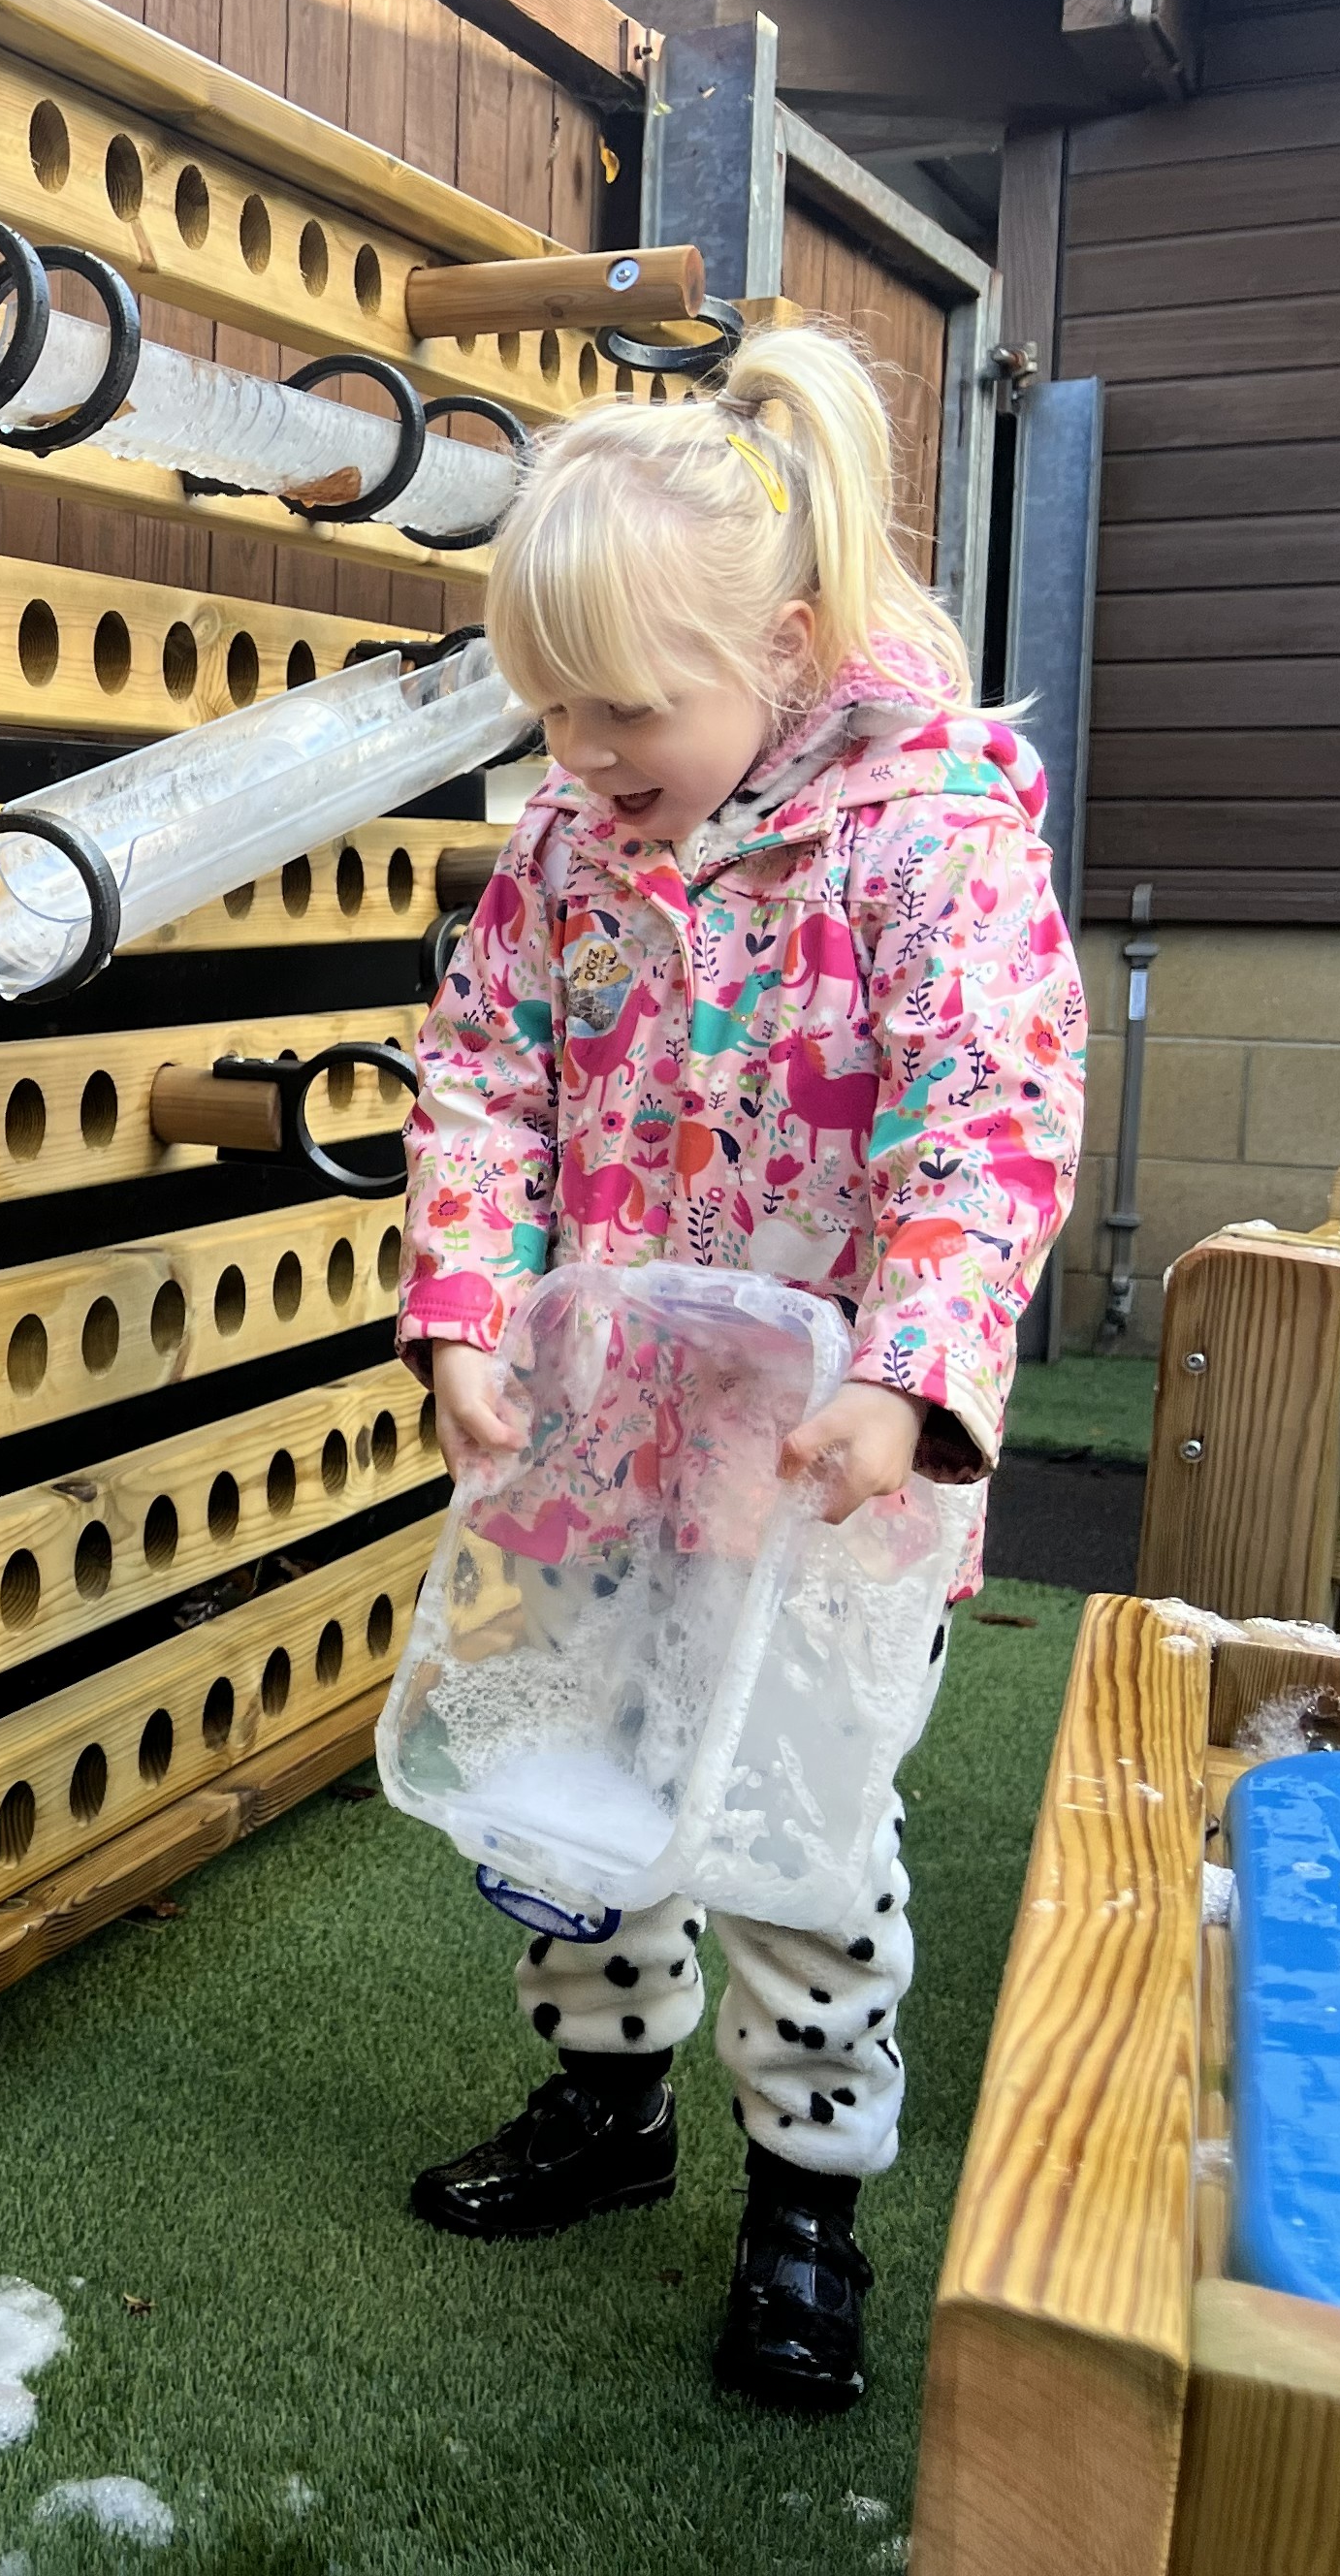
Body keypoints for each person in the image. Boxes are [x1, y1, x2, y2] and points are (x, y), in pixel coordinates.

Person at [393, 320, 1087, 2414]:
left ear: (781, 651)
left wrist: (909, 1379)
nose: (584, 751)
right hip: (605, 1449)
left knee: (800, 1841)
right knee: (580, 1797)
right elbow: (482, 1079)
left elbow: (991, 1123)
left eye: (627, 707)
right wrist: (465, 1306)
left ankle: (809, 2199)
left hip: (823, 1479)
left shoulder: (928, 843)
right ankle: (609, 2101)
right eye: (553, 707)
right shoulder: (562, 857)